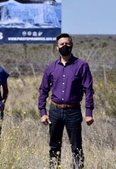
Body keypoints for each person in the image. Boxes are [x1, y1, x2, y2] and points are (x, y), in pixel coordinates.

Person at [38, 33, 95, 169]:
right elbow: (43, 90)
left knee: (76, 147)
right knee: (54, 146)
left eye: (67, 44)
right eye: (62, 44)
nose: (65, 46)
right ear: (57, 47)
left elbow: (88, 90)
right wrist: (42, 112)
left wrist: (88, 112)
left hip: (73, 111)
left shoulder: (81, 65)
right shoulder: (51, 67)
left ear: (72, 45)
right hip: (55, 111)